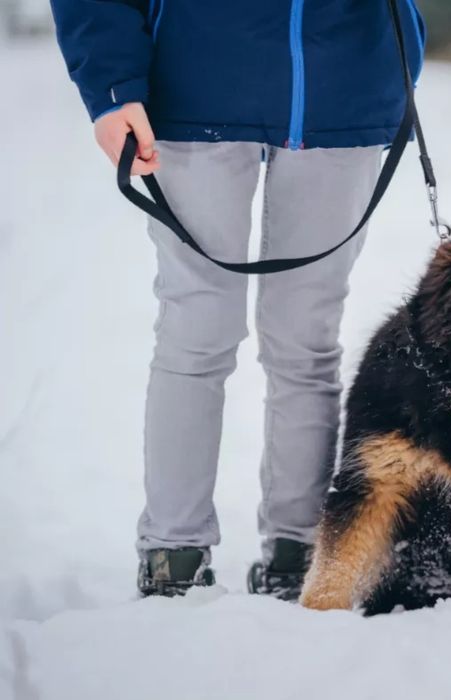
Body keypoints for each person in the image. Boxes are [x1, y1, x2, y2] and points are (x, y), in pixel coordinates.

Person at [49, 0, 425, 600]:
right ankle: (173, 552)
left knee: (306, 340)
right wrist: (112, 87)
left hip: (344, 87)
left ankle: (299, 551)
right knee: (196, 330)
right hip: (194, 84)